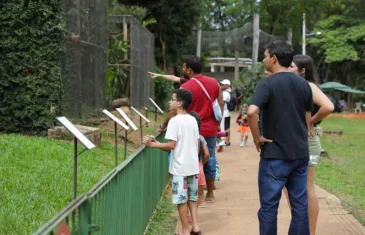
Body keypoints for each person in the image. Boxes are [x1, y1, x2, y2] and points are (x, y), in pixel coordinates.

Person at [247, 40, 313, 235]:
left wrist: (257, 138)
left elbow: (251, 112)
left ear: (274, 59)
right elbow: (307, 120)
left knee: (269, 207)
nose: (264, 59)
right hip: (300, 154)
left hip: (275, 155)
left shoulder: (267, 83)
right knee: (300, 206)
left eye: (266, 56)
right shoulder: (304, 85)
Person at [286, 55, 334, 235]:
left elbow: (328, 107)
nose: (288, 68)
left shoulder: (309, 86)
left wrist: (310, 122)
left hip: (308, 142)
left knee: (307, 188)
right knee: (293, 189)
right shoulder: (295, 87)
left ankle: (309, 232)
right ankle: (301, 228)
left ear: (302, 70)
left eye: (291, 66)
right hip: (299, 142)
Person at [143, 89, 201, 235]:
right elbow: (194, 142)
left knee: (181, 200)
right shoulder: (193, 119)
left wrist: (153, 145)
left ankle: (185, 230)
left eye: (172, 99)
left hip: (180, 168)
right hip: (193, 166)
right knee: (192, 198)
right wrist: (157, 142)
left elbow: (171, 145)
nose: (170, 102)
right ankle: (195, 226)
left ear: (179, 103)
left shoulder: (175, 121)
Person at [188, 111, 210, 207]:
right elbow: (207, 154)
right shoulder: (200, 137)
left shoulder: (186, 138)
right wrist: (202, 163)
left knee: (190, 191)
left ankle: (192, 208)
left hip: (188, 166)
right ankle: (202, 202)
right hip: (199, 165)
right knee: (200, 188)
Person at [219, 79, 232, 147]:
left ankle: (224, 142)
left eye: (223, 85)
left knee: (223, 127)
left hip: (224, 112)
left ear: (227, 85)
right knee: (227, 127)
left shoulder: (225, 93)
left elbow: (222, 103)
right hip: (226, 112)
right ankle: (227, 141)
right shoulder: (228, 92)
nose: (221, 86)